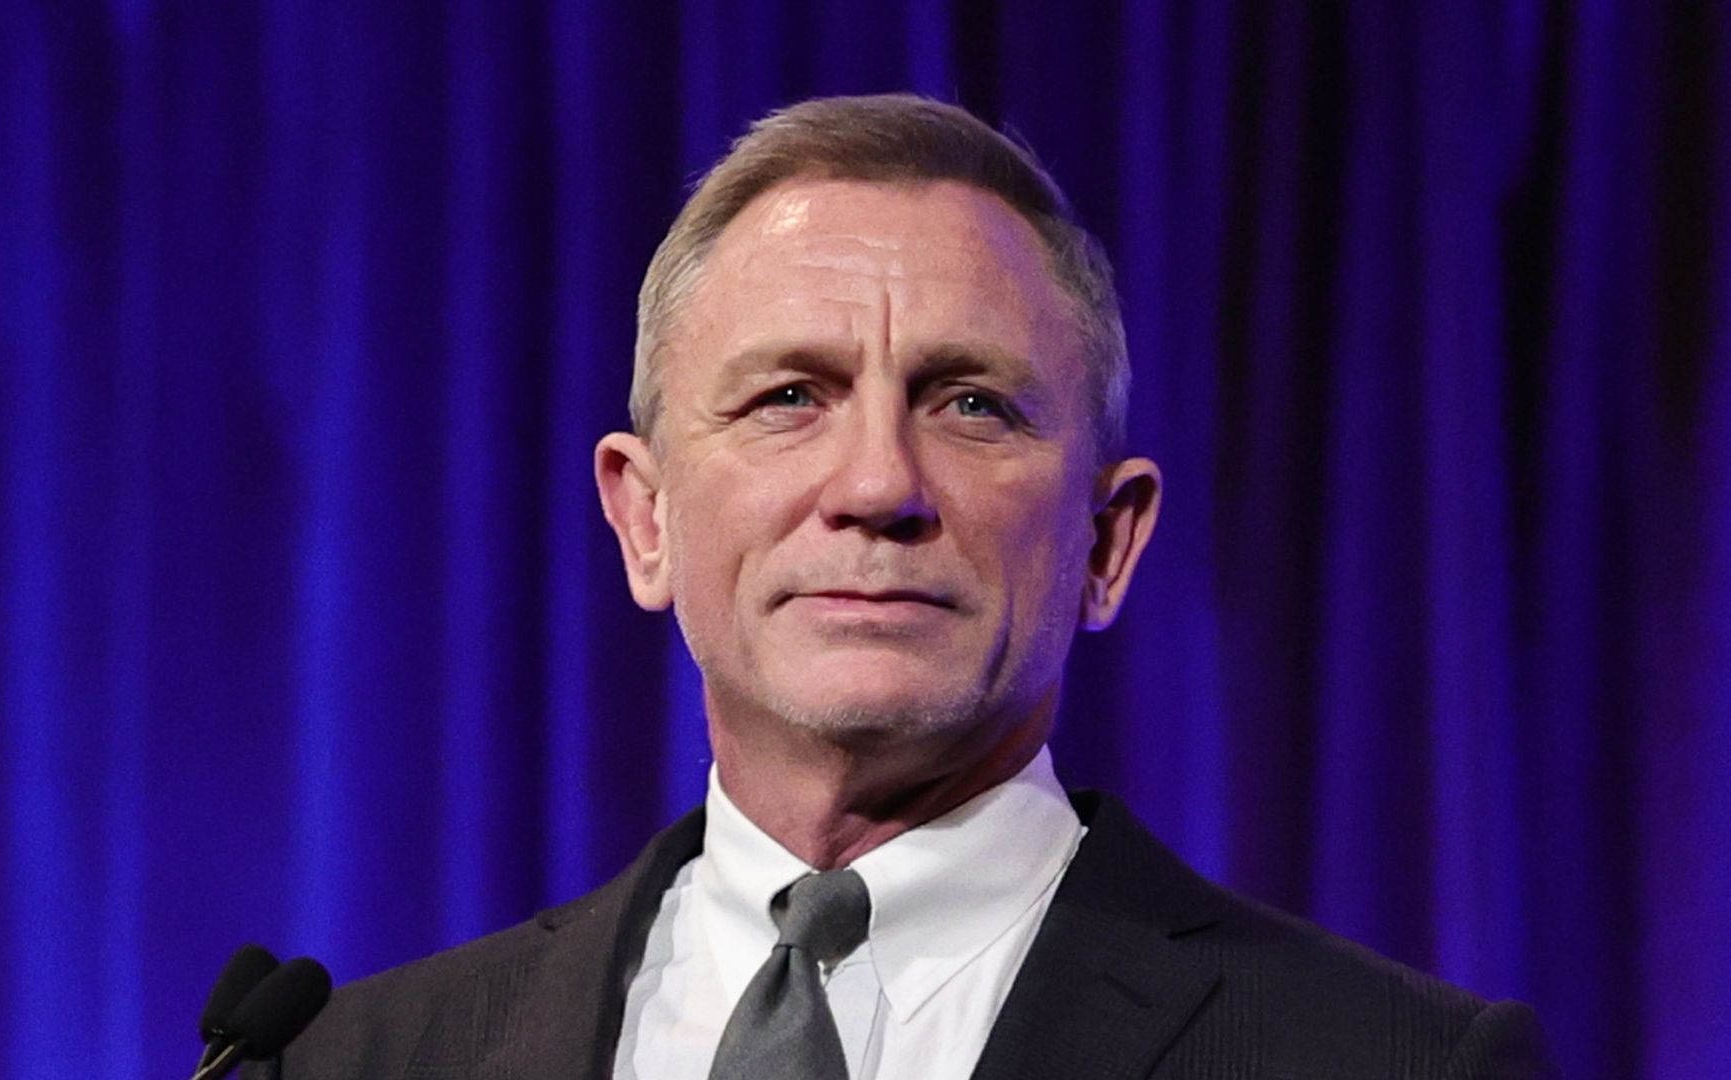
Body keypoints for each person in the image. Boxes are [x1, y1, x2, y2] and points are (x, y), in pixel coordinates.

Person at [250, 94, 1558, 1080]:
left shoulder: (1391, 1065)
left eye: (973, 402)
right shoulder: (353, 1059)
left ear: (1109, 542)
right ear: (645, 520)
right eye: (788, 397)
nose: (879, 482)